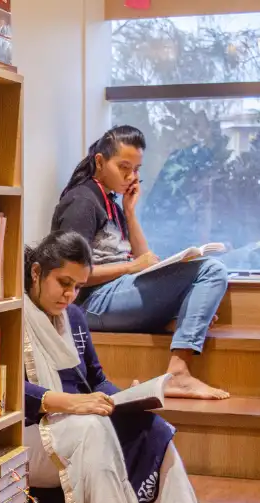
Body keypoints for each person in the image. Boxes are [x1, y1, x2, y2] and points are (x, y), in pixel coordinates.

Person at [22, 230, 244, 503]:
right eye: (63, 283)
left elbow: (96, 380)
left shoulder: (74, 318)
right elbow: (13, 394)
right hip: (34, 434)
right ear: (36, 272)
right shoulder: (15, 317)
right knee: (92, 428)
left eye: (78, 286)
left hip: (83, 422)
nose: (70, 295)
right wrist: (73, 404)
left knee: (152, 426)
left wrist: (127, 397)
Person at [52, 125, 229, 400]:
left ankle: (178, 327)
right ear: (100, 161)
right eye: (124, 167)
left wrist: (131, 213)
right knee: (212, 270)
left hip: (114, 293)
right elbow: (67, 273)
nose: (131, 176)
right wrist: (130, 267)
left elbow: (144, 260)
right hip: (91, 302)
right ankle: (179, 374)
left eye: (136, 169)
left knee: (205, 272)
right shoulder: (82, 202)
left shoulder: (110, 201)